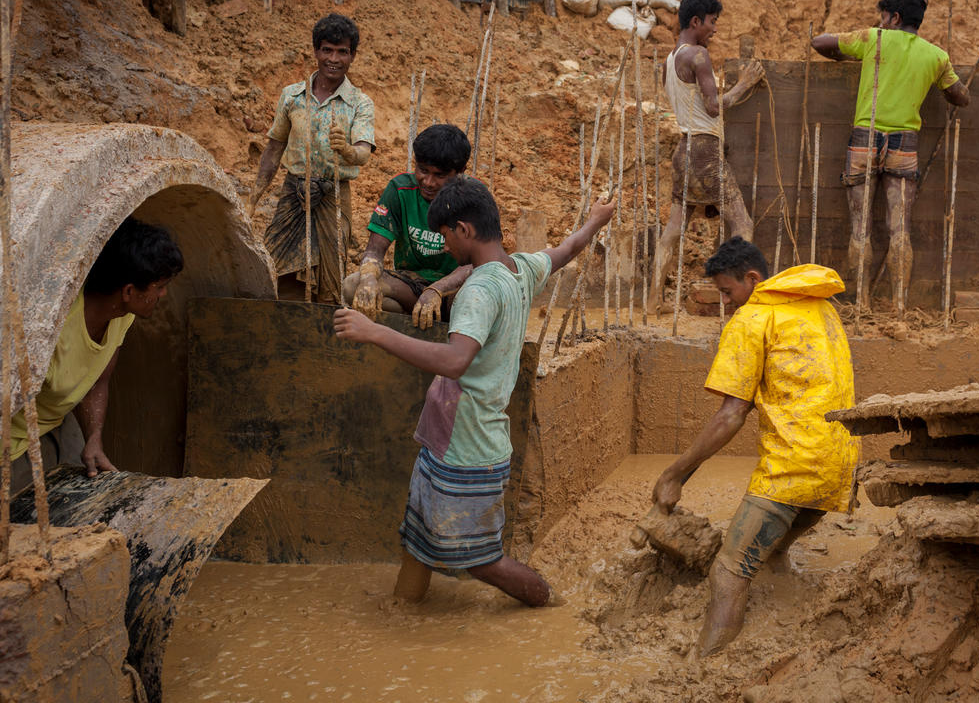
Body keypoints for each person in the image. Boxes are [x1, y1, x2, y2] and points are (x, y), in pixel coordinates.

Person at [334, 177, 616, 606]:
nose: (443, 246)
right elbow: (568, 249)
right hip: (446, 438)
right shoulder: (520, 268)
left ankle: (552, 608)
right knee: (418, 538)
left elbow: (454, 361)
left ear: (463, 230)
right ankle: (402, 610)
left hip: (468, 447)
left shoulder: (478, 291)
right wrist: (595, 220)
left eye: (445, 235)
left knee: (482, 560)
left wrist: (374, 333)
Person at [649, 237, 856, 658]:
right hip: (840, 465)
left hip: (794, 466)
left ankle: (704, 670)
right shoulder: (818, 303)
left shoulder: (754, 319)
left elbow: (730, 416)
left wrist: (674, 475)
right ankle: (780, 596)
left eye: (727, 293)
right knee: (769, 549)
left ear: (753, 279)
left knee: (728, 573)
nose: (726, 304)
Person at [0, 217, 184, 495]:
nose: (164, 293)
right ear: (129, 291)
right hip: (9, 449)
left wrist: (93, 437)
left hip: (58, 424)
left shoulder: (121, 315)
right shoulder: (50, 329)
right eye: (159, 286)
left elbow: (96, 381)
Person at [812, 0, 971, 308]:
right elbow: (961, 97)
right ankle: (899, 304)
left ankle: (863, 303)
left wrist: (847, 54)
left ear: (895, 17)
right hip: (904, 142)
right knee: (900, 229)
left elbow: (820, 43)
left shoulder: (874, 39)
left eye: (883, 18)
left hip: (865, 138)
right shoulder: (937, 56)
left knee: (861, 227)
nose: (881, 23)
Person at [647, 0, 764, 314]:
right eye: (712, 22)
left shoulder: (671, 59)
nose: (714, 29)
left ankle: (653, 300)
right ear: (696, 21)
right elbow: (714, 108)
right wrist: (744, 84)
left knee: (672, 233)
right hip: (705, 153)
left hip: (684, 152)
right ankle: (740, 299)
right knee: (742, 224)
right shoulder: (697, 56)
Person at [249, 13, 376, 303]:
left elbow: (363, 154)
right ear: (316, 51)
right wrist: (253, 199)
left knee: (331, 282)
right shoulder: (292, 96)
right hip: (294, 192)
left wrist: (345, 149)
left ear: (352, 56)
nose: (334, 58)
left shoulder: (359, 102)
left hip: (333, 197)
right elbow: (273, 149)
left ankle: (323, 334)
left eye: (342, 51)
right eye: (327, 50)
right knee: (273, 266)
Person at [344, 124, 474, 328]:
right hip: (411, 285)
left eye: (439, 175)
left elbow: (477, 262)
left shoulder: (473, 198)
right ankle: (412, 324)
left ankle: (441, 326)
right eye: (422, 171)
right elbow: (375, 249)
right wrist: (369, 278)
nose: (428, 182)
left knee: (474, 302)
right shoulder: (400, 189)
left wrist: (437, 290)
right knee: (353, 286)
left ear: (460, 172)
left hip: (455, 289)